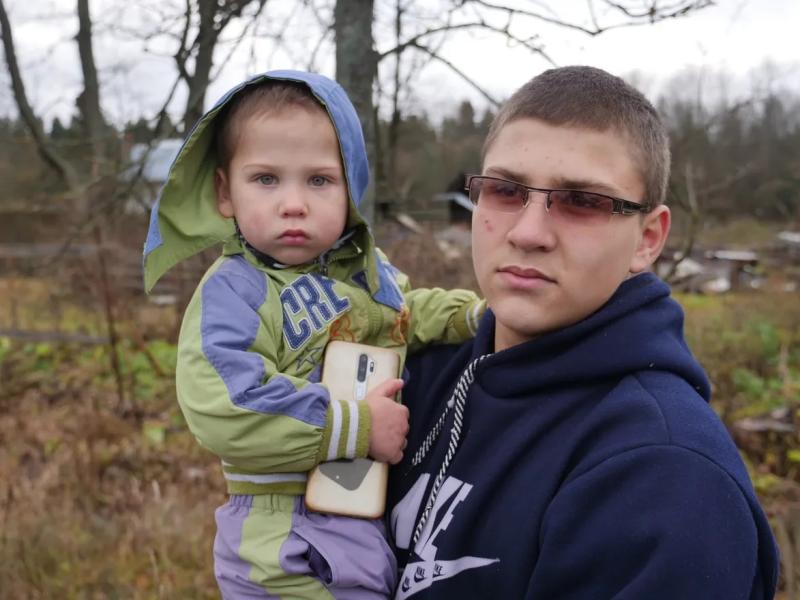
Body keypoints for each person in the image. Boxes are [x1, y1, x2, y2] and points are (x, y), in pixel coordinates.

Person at [386, 65, 779, 599]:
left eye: (583, 202)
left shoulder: (666, 478)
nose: (528, 233)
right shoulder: (417, 375)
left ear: (647, 238)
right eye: (505, 190)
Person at [142, 70, 484, 598]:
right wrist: (356, 428)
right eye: (266, 179)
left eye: (319, 180)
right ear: (224, 192)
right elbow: (226, 401)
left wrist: (475, 316)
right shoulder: (235, 291)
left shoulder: (369, 274)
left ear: (352, 187)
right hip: (282, 534)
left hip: (366, 516)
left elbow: (404, 315)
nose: (294, 203)